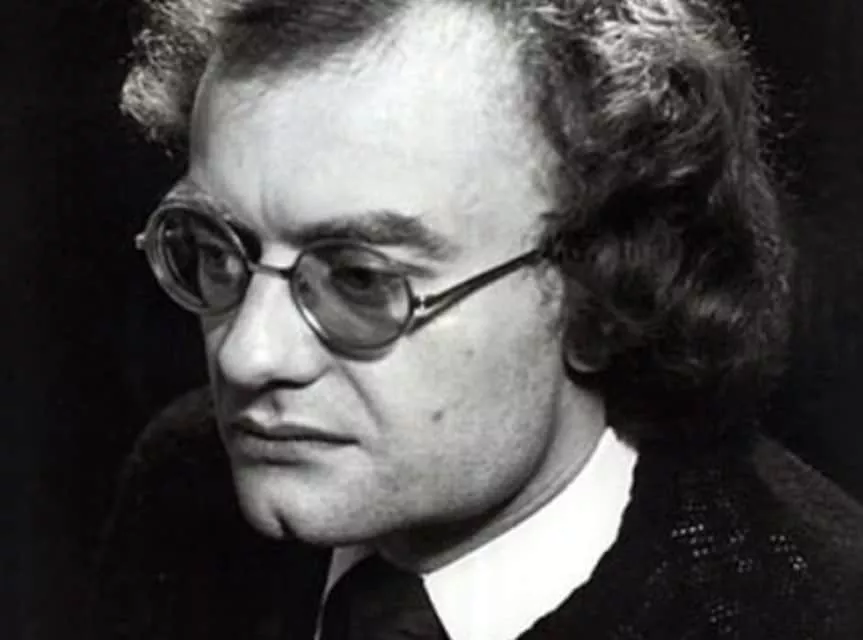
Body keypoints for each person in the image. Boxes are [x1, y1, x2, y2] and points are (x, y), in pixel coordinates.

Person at [95, 0, 863, 638]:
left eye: (361, 279)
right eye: (217, 251)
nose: (248, 354)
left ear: (601, 288)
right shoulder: (182, 482)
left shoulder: (806, 612)